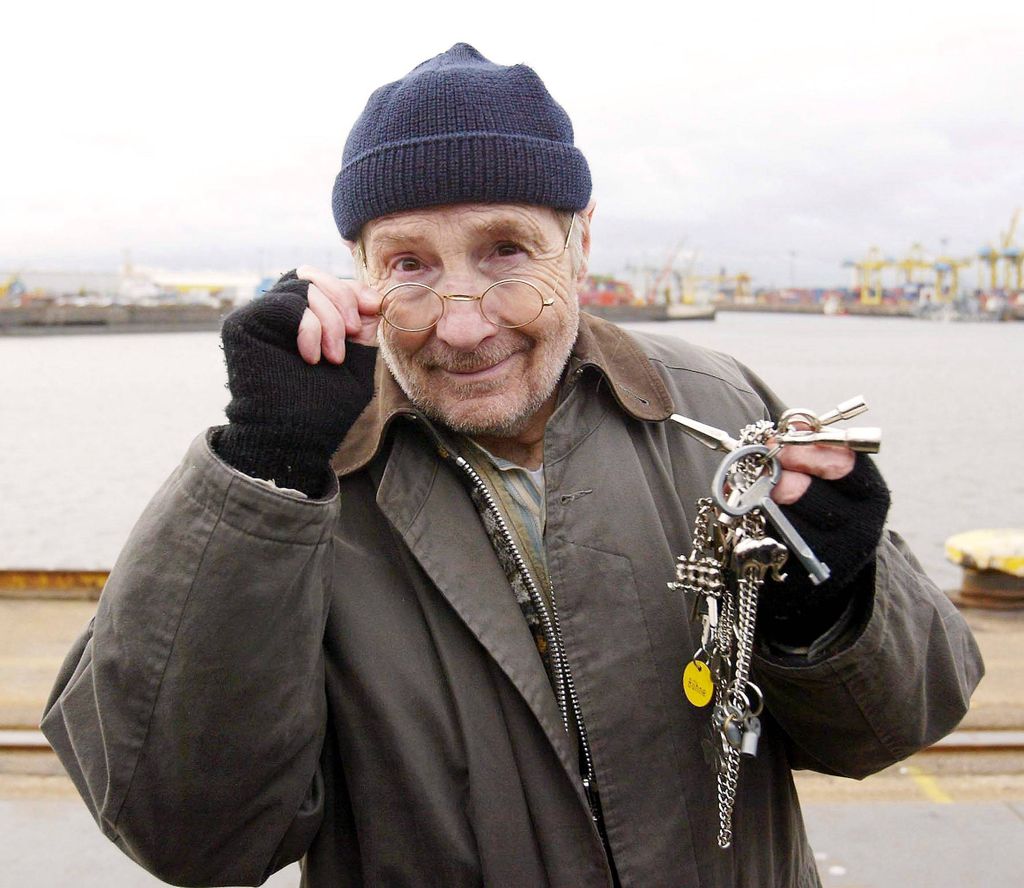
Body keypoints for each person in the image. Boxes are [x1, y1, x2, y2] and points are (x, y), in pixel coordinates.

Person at [42, 43, 983, 888]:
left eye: (504, 251)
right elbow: (189, 836)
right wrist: (264, 469)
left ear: (580, 242)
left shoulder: (720, 404)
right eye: (409, 264)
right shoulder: (293, 469)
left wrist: (833, 598)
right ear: (355, 270)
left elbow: (896, 723)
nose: (461, 320)